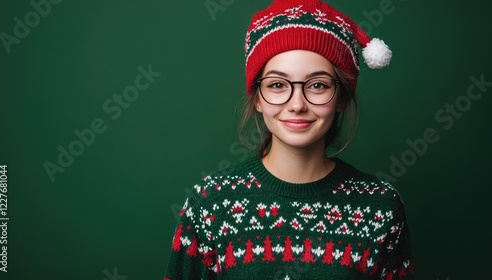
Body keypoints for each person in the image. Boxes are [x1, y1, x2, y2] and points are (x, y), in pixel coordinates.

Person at [164, 0, 414, 279]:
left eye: (317, 85)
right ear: (257, 97)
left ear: (341, 97)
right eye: (277, 85)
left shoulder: (380, 206)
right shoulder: (210, 203)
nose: (296, 104)